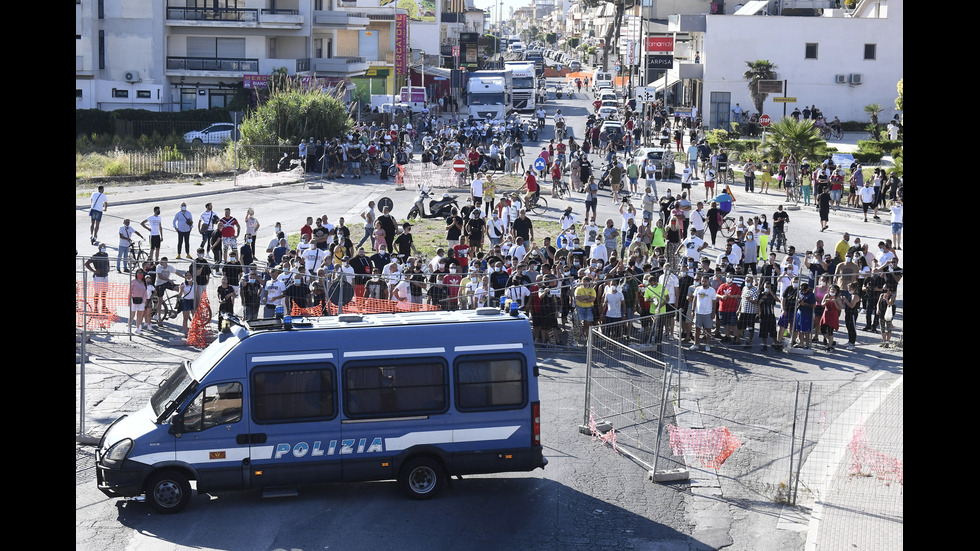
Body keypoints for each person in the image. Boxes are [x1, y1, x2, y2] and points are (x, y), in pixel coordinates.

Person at [690, 276, 717, 352]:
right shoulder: (697, 289)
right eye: (702, 281)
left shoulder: (712, 290)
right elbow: (694, 300)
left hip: (708, 313)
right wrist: (693, 310)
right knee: (697, 329)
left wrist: (713, 312)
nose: (704, 283)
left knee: (708, 329)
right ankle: (696, 344)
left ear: (708, 281)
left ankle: (707, 345)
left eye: (705, 281)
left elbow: (714, 303)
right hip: (698, 312)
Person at [84, 243, 112, 313]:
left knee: (104, 292)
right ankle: (95, 308)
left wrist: (108, 267)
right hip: (98, 277)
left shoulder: (106, 254)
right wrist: (94, 271)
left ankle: (103, 307)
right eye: (102, 247)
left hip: (105, 275)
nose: (103, 248)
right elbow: (86, 263)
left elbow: (107, 261)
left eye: (104, 247)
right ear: (99, 248)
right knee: (97, 293)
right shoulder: (95, 256)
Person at [130, 268, 151, 335]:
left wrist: (145, 301)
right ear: (136, 274)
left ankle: (137, 328)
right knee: (132, 314)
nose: (140, 274)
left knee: (139, 315)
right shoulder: (133, 281)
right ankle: (129, 327)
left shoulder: (143, 282)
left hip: (141, 300)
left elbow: (145, 292)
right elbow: (130, 291)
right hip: (134, 300)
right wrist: (129, 299)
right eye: (139, 273)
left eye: (141, 273)